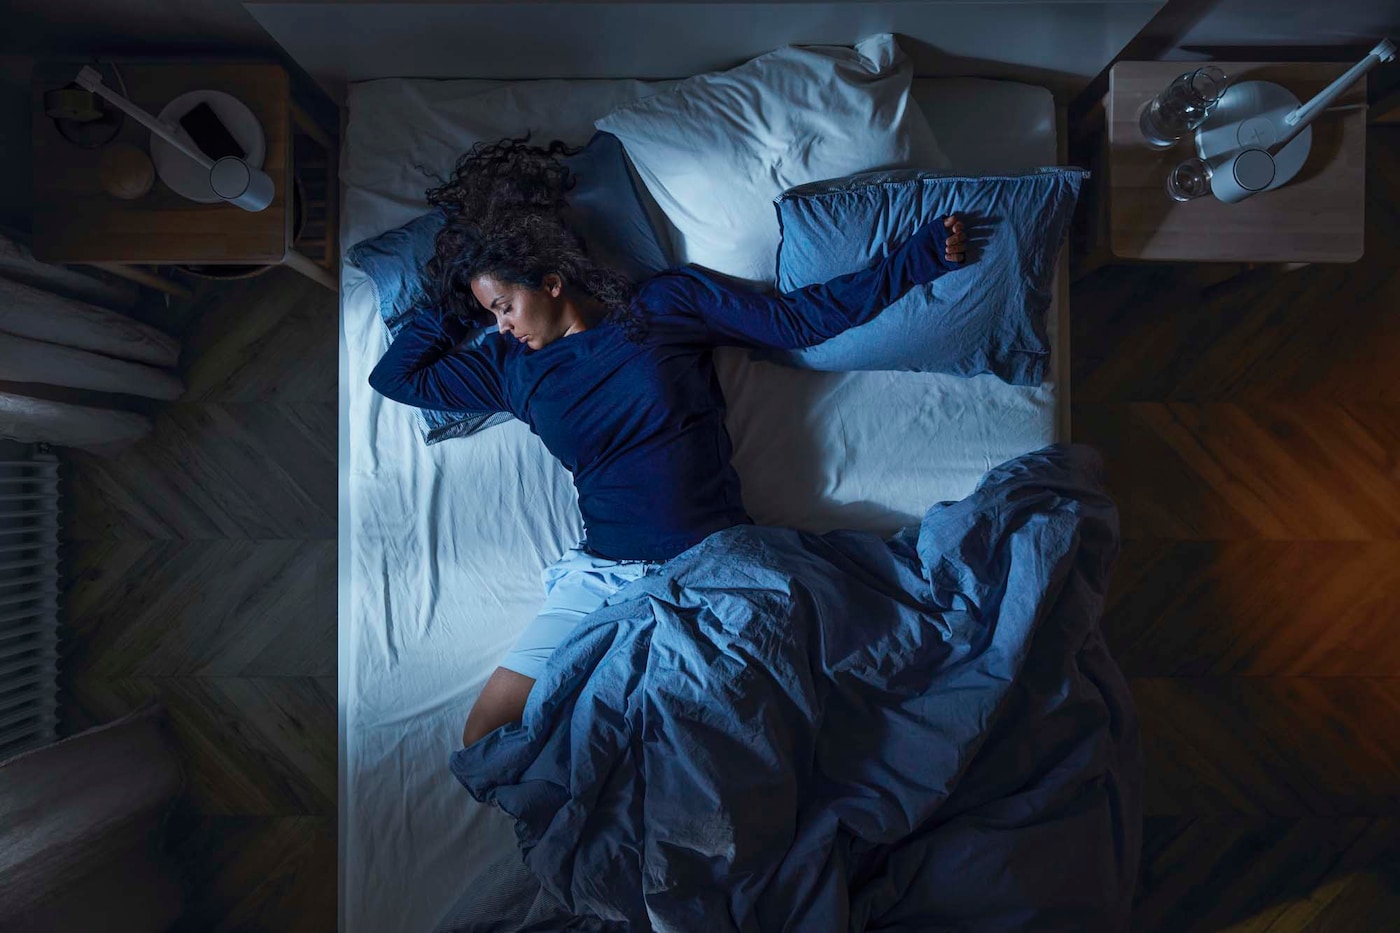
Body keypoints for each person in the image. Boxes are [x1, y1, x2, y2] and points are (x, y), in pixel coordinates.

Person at [368, 140, 969, 746]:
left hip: (711, 562)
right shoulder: (508, 366)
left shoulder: (663, 304)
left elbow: (798, 321)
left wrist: (914, 262)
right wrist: (464, 302)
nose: (501, 325)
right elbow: (397, 377)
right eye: (492, 315)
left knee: (723, 737)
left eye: (505, 307)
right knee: (485, 733)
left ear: (550, 281)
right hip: (603, 575)